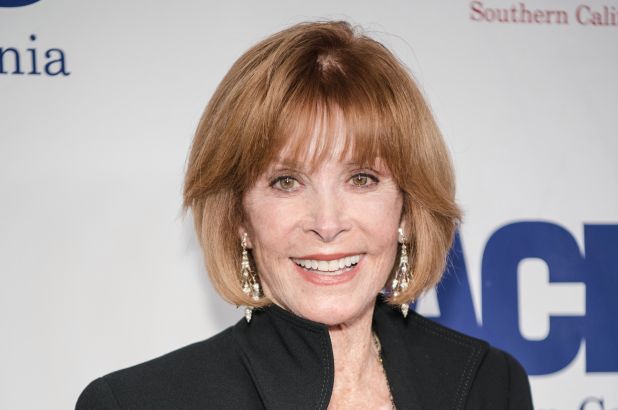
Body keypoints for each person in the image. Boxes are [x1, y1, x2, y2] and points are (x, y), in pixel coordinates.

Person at [76, 21, 533, 409]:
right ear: (239, 219)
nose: (328, 223)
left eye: (361, 178)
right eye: (286, 182)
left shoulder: (489, 384)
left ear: (407, 208)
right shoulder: (136, 402)